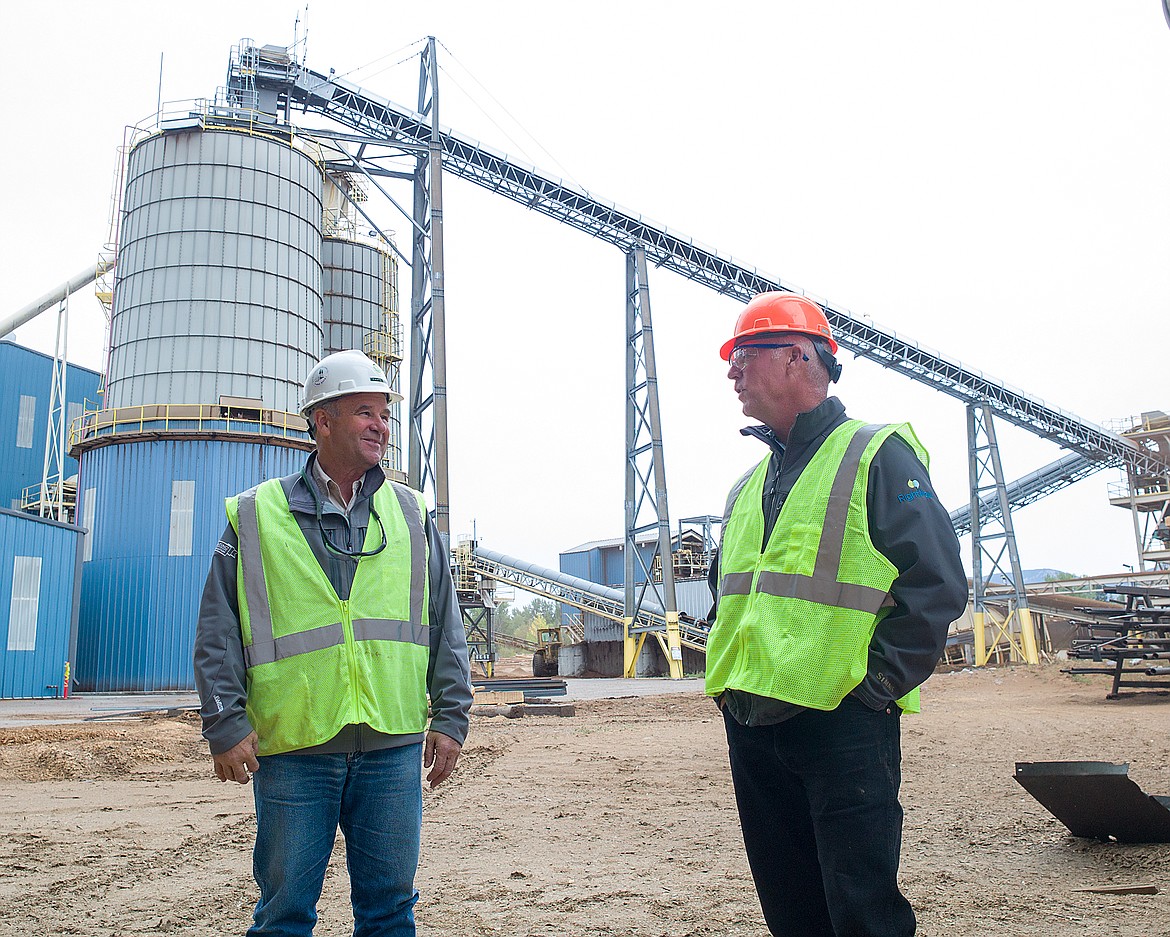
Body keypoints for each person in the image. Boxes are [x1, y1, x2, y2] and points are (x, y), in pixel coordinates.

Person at [705, 292, 968, 937]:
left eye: (743, 355)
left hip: (841, 727)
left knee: (862, 913)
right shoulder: (747, 487)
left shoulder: (877, 455)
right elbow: (734, 600)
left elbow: (936, 583)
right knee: (792, 913)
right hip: (755, 726)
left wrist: (874, 687)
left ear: (798, 359)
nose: (732, 372)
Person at [194, 349, 473, 937]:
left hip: (392, 746)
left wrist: (452, 716)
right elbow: (218, 626)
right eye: (365, 413)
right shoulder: (256, 514)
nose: (381, 426)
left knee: (390, 912)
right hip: (296, 747)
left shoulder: (410, 513)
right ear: (322, 421)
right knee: (284, 915)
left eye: (385, 415)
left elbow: (445, 622)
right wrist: (223, 721)